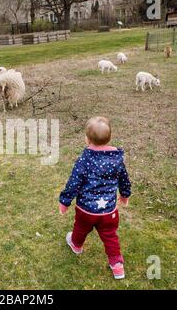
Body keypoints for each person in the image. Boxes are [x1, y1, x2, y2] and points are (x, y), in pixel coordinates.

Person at [59, 116, 131, 279]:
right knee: (110, 235)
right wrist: (125, 195)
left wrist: (65, 201)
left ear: (87, 139)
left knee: (80, 228)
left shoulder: (85, 159)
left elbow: (74, 181)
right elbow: (124, 179)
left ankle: (76, 245)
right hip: (108, 212)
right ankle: (117, 265)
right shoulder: (117, 160)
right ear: (109, 138)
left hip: (86, 210)